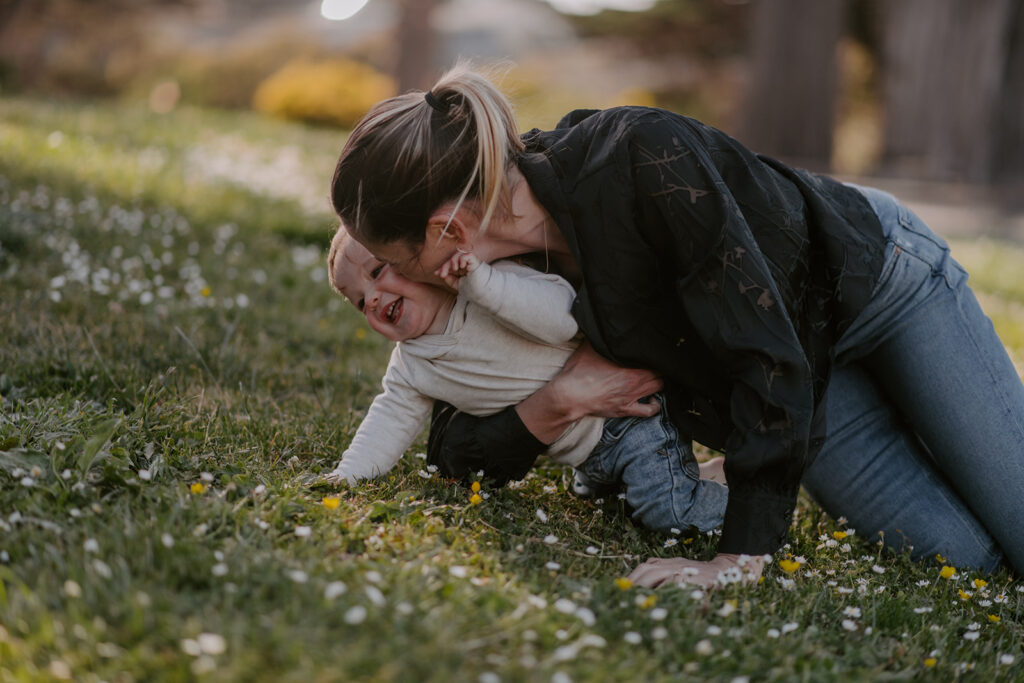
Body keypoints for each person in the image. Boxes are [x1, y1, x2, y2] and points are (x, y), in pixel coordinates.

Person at [328, 63, 1024, 586]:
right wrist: (560, 399)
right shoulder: (473, 280)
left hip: (876, 285)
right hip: (809, 370)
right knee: (969, 562)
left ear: (445, 228)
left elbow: (764, 344)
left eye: (390, 264)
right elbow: (454, 450)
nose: (387, 288)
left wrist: (739, 554)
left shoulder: (639, 156)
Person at [325, 228, 728, 534]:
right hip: (586, 457)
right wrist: (349, 475)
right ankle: (712, 473)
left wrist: (484, 286)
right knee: (618, 504)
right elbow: (388, 419)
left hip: (631, 420)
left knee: (669, 511)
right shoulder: (411, 365)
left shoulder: (491, 285)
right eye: (361, 301)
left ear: (413, 258)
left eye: (377, 272)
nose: (373, 299)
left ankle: (744, 504)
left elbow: (564, 319)